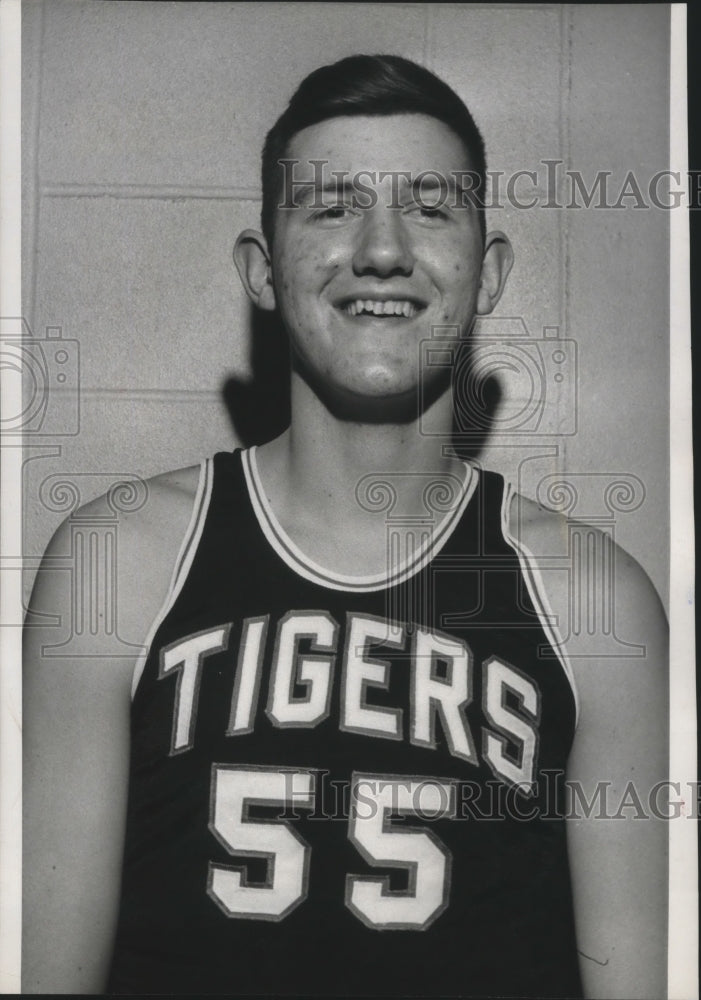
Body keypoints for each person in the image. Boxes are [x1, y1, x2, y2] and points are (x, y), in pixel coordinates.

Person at [23, 54, 668, 997]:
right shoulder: (118, 563)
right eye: (330, 206)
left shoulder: (593, 602)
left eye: (431, 206)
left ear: (487, 273)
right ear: (262, 269)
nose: (380, 249)